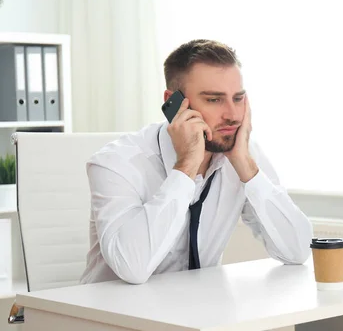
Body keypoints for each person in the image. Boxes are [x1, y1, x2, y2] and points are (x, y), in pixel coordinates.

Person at [80, 39, 313, 284]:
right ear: (173, 103)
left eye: (238, 98)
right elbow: (132, 268)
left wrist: (245, 165)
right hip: (112, 317)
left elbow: (297, 251)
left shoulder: (241, 154)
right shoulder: (116, 163)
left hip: (197, 314)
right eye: (214, 99)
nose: (232, 115)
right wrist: (186, 167)